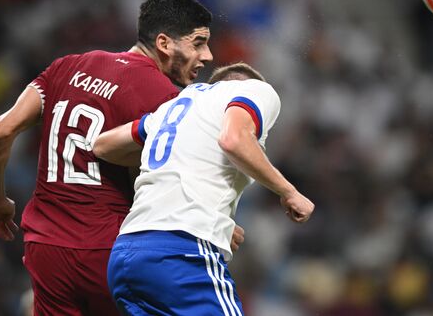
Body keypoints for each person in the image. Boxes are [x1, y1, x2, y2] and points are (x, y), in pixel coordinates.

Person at [0, 0, 242, 315]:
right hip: (110, 249)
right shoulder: (170, 99)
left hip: (45, 245)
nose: (207, 55)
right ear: (163, 43)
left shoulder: (66, 67)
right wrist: (212, 225)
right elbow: (176, 177)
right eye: (198, 43)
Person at [93, 62, 315, 315]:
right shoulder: (257, 90)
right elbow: (233, 140)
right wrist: (290, 192)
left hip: (127, 255)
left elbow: (103, 146)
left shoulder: (170, 110)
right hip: (181, 251)